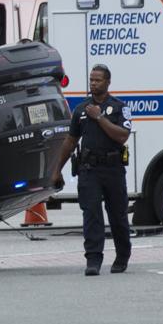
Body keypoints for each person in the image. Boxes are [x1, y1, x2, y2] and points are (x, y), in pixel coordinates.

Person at [52, 64, 133, 276]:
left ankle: (122, 256)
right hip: (89, 170)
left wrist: (99, 117)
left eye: (98, 80)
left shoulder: (119, 108)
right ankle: (93, 259)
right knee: (91, 214)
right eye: (91, 80)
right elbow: (70, 142)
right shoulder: (81, 110)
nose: (93, 83)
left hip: (113, 170)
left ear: (108, 82)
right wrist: (56, 169)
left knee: (118, 215)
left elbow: (122, 135)